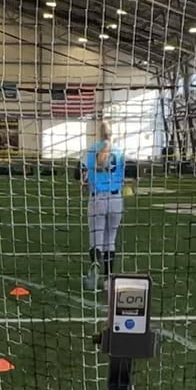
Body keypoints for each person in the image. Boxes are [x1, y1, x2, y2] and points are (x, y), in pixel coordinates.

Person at [83, 123, 124, 290]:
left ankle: (94, 271)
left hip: (97, 198)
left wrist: (87, 180)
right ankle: (108, 279)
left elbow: (78, 172)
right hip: (115, 198)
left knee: (96, 239)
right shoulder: (119, 151)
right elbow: (130, 170)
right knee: (110, 239)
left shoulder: (92, 150)